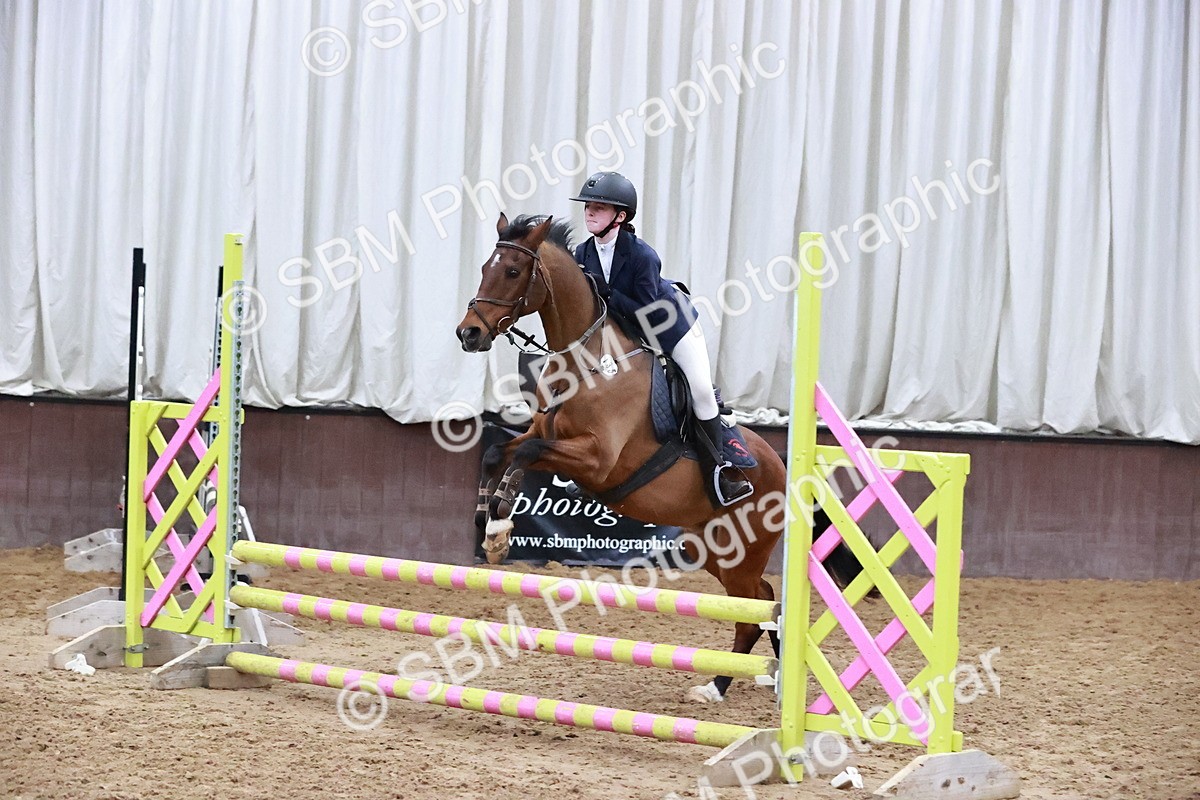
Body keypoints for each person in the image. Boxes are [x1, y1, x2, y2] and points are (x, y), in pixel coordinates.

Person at [570, 171, 752, 506]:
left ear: (620, 216)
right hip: (623, 333)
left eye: (599, 207)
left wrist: (605, 291)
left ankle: (722, 473)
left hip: (671, 326)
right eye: (587, 207)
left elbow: (646, 314)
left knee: (699, 391)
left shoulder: (643, 256)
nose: (590, 212)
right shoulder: (582, 253)